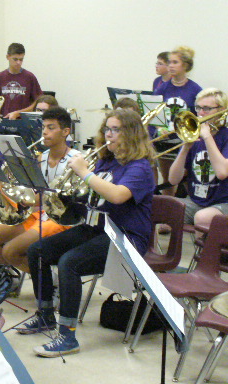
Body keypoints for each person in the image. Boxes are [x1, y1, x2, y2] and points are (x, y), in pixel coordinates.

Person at [17, 109, 154, 358]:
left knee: (69, 263)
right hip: (96, 228)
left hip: (125, 237)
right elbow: (90, 196)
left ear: (132, 134)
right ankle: (45, 315)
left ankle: (67, 336)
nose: (109, 134)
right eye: (107, 129)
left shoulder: (140, 167)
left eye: (116, 130)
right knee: (37, 250)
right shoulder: (106, 160)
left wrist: (84, 172)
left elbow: (117, 195)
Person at [0, 107, 77, 272]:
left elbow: (64, 200)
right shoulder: (41, 158)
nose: (45, 132)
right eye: (44, 127)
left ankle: (49, 282)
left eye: (51, 128)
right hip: (41, 214)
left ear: (65, 132)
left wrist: (29, 200)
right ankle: (7, 278)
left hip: (62, 218)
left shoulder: (76, 159)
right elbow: (35, 190)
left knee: (10, 251)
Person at [168, 88, 228, 230]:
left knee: (202, 217)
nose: (200, 113)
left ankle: (203, 246)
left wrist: (207, 137)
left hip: (223, 202)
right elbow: (173, 180)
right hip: (196, 201)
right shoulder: (195, 136)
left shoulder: (225, 136)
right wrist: (185, 148)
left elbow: (222, 173)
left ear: (222, 110)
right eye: (198, 108)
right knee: (162, 208)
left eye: (206, 108)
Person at [154, 46, 203, 195]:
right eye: (169, 62)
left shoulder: (195, 90)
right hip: (166, 140)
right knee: (168, 181)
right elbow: (155, 114)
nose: (170, 66)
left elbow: (199, 116)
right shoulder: (163, 88)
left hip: (185, 142)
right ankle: (167, 208)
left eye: (175, 62)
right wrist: (159, 128)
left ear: (185, 66)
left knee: (188, 181)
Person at [0, 42, 43, 120]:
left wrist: (19, 113)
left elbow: (38, 101)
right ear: (8, 57)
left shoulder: (29, 77)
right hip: (4, 119)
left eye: (21, 59)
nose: (18, 62)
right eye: (15, 59)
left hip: (24, 120)